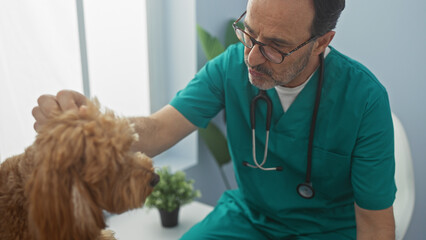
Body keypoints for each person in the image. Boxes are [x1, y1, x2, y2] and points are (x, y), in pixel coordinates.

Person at [32, 0, 396, 239]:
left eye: (275, 47)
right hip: (250, 219)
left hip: (327, 232)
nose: (252, 58)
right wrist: (92, 125)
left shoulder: (364, 100)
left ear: (322, 42)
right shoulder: (229, 68)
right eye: (248, 32)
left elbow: (375, 224)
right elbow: (159, 129)